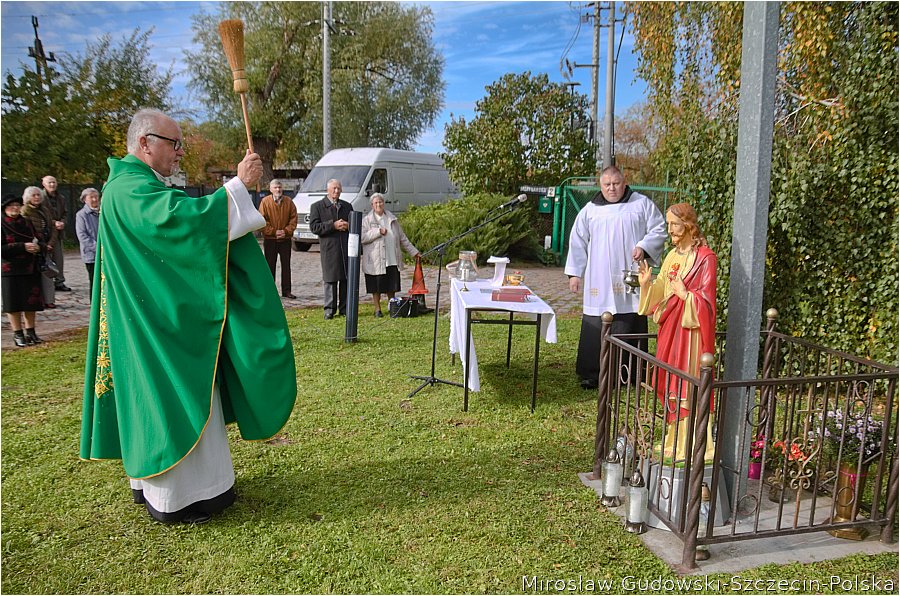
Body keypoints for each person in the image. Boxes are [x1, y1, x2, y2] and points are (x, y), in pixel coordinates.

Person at [80, 108, 297, 525]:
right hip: (158, 329)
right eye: (173, 143)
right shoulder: (130, 190)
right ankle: (184, 496)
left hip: (153, 317)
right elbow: (182, 224)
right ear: (145, 143)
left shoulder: (133, 185)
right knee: (173, 395)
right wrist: (238, 186)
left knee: (160, 398)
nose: (180, 152)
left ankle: (174, 488)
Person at [564, 165, 667, 389]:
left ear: (624, 181)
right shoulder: (590, 210)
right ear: (600, 185)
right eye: (607, 184)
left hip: (629, 275)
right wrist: (575, 274)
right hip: (598, 277)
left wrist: (644, 246)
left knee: (628, 318)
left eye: (616, 183)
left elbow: (659, 228)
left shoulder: (641, 204)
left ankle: (630, 373)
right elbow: (577, 241)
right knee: (596, 321)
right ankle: (593, 373)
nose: (612, 188)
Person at [638, 202, 717, 461]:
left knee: (686, 384)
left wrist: (686, 295)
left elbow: (707, 301)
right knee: (671, 381)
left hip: (691, 332)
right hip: (670, 329)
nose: (670, 228)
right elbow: (662, 287)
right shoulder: (672, 256)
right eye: (669, 223)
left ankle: (693, 445)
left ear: (688, 225)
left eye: (675, 223)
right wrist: (647, 285)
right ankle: (673, 440)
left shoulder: (705, 258)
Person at [361, 193, 420, 317]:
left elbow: (403, 238)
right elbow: (362, 238)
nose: (379, 205)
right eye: (376, 203)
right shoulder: (366, 220)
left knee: (391, 285)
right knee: (375, 286)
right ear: (372, 205)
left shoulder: (392, 219)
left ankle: (392, 306)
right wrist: (378, 232)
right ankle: (377, 309)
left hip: (391, 258)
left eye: (380, 202)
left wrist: (414, 252)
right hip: (375, 260)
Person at [1, 194, 45, 346]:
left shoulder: (26, 222)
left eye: (17, 205)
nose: (14, 208)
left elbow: (39, 238)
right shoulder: (2, 224)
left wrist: (39, 247)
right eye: (10, 206)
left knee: (30, 302)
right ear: (4, 208)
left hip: (30, 267)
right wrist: (23, 247)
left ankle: (31, 332)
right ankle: (17, 334)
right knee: (13, 303)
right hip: (10, 269)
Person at [309, 178, 352, 319]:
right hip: (329, 248)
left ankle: (344, 308)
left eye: (339, 188)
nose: (337, 191)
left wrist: (347, 225)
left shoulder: (347, 206)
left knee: (345, 278)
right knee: (330, 279)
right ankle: (329, 309)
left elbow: (355, 224)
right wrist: (332, 225)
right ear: (327, 190)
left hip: (345, 247)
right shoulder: (317, 206)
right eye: (334, 188)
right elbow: (314, 227)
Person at [257, 179, 298, 299]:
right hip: (270, 240)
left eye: (279, 187)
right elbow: (262, 221)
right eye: (275, 187)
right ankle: (270, 291)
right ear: (270, 189)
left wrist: (285, 232)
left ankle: (287, 291)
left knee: (286, 266)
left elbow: (293, 219)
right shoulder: (265, 202)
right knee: (270, 266)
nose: (278, 190)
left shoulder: (289, 202)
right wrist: (274, 232)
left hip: (285, 239)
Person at [21, 186, 57, 309]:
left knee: (48, 273)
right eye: (34, 195)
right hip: (35, 245)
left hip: (46, 245)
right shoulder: (25, 211)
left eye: (38, 195)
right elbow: (26, 230)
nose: (37, 197)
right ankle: (37, 300)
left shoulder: (45, 210)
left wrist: (51, 243)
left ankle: (49, 299)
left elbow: (52, 227)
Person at [41, 175, 70, 292]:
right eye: (49, 183)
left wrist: (62, 222)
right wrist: (54, 222)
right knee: (45, 258)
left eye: (53, 182)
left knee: (59, 258)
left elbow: (65, 213)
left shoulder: (61, 198)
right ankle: (46, 283)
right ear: (43, 184)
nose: (52, 185)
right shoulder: (40, 197)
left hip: (58, 232)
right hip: (45, 232)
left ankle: (59, 281)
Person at [75, 188, 101, 297]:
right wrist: (98, 248)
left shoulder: (103, 212)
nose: (95, 199)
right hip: (91, 255)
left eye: (96, 197)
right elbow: (82, 235)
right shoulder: (81, 215)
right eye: (91, 197)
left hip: (106, 253)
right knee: (94, 282)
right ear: (85, 199)